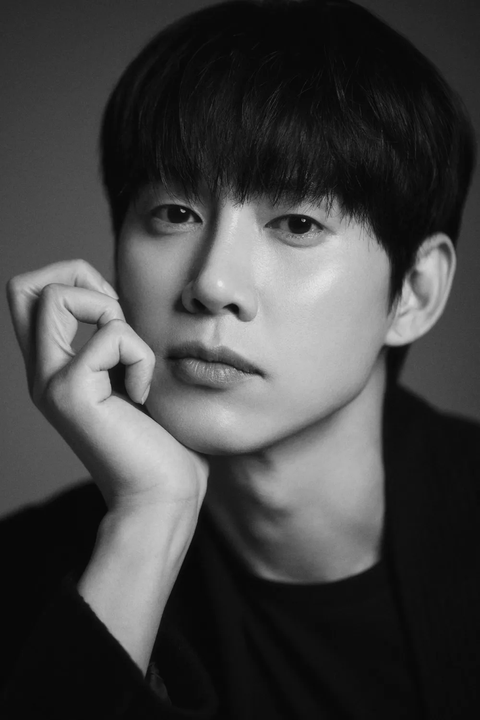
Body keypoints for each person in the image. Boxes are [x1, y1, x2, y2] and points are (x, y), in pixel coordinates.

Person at [2, 0, 478, 717]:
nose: (212, 284)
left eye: (297, 223)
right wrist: (148, 519)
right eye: (176, 213)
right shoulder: (25, 576)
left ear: (414, 291)